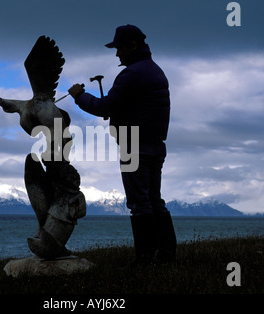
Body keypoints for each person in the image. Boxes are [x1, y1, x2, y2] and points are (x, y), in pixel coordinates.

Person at [68, 24, 177, 265]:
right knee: (154, 200)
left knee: (139, 204)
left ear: (133, 46)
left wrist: (78, 96)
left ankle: (145, 259)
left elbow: (103, 107)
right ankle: (167, 255)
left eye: (119, 48)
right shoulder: (155, 71)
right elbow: (133, 106)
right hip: (156, 145)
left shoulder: (133, 74)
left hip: (134, 146)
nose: (117, 54)